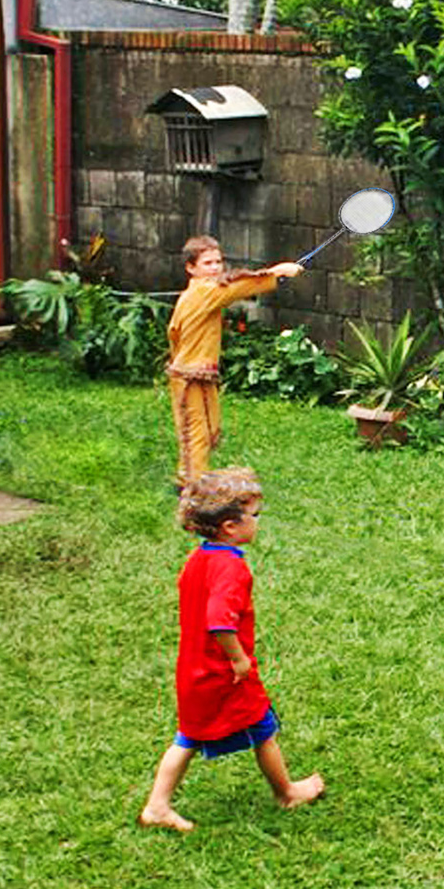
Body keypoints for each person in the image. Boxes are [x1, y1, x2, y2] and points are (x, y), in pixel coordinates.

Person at [138, 467, 324, 832]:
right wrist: (238, 658)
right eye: (254, 516)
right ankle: (287, 791)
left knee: (190, 736)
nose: (258, 523)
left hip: (194, 669)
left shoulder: (199, 559)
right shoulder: (231, 569)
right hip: (224, 673)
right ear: (229, 527)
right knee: (262, 727)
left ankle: (158, 805)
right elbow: (219, 620)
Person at [167, 235, 303, 484]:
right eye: (207, 263)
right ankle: (192, 488)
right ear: (191, 268)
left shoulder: (199, 292)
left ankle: (195, 478)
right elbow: (238, 287)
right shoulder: (205, 292)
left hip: (197, 373)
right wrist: (279, 274)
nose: (216, 267)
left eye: (218, 261)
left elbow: (173, 333)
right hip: (189, 376)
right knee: (195, 432)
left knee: (209, 430)